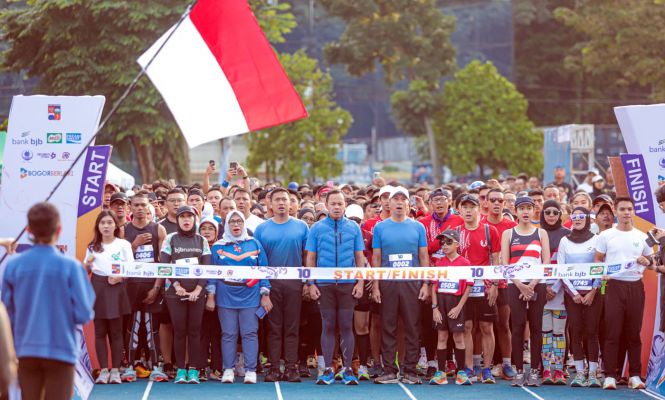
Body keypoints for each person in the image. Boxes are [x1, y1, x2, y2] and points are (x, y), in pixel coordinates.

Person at [1, 202, 95, 400]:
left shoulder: (13, 266)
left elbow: (7, 313)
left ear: (29, 230)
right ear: (59, 230)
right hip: (61, 350)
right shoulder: (72, 267)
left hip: (25, 350)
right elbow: (84, 313)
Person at [306, 190, 365, 385]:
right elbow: (311, 258)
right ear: (326, 205)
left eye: (340, 203)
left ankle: (348, 369)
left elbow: (360, 258)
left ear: (345, 205)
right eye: (333, 203)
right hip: (325, 285)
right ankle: (329, 370)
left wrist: (360, 282)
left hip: (348, 285)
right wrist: (311, 283)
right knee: (328, 325)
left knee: (347, 326)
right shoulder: (316, 228)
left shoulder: (354, 228)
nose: (337, 207)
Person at [371, 186, 430, 385]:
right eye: (394, 199)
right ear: (389, 203)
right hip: (388, 284)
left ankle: (410, 370)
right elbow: (377, 257)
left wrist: (425, 284)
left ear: (408, 203)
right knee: (388, 326)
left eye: (401, 199)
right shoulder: (380, 228)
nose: (398, 202)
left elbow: (423, 256)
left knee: (412, 327)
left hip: (412, 284)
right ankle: (389, 370)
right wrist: (376, 286)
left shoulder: (418, 227)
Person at [594, 197, 653, 390]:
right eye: (622, 209)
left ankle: (634, 375)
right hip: (613, 287)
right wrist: (603, 274)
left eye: (629, 209)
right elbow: (598, 260)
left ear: (633, 211)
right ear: (616, 212)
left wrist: (647, 261)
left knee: (633, 333)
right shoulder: (606, 236)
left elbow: (651, 260)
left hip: (635, 286)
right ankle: (610, 375)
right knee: (612, 332)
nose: (626, 212)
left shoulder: (642, 236)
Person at [207, 211, 273, 384]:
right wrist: (211, 296)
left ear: (244, 224)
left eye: (239, 221)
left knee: (250, 333)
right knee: (228, 333)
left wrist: (265, 294)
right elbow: (212, 274)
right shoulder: (217, 246)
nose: (236, 225)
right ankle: (228, 369)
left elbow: (264, 271)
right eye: (232, 222)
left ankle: (251, 370)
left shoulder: (254, 243)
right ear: (227, 224)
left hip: (250, 295)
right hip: (225, 295)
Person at [254, 187, 309, 383]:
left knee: (292, 327)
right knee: (274, 327)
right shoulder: (261, 229)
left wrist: (307, 283)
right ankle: (275, 367)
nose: (281, 203)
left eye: (285, 199)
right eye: (277, 199)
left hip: (294, 284)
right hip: (271, 285)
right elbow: (258, 261)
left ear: (291, 203)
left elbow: (307, 257)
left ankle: (292, 367)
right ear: (270, 203)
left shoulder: (302, 227)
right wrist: (264, 289)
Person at [502, 196, 550, 387]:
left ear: (534, 210)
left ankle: (535, 371)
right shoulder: (508, 234)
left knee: (536, 327)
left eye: (529, 208)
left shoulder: (541, 233)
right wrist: (520, 285)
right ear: (516, 211)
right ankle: (520, 371)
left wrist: (532, 285)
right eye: (521, 208)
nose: (525, 212)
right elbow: (505, 263)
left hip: (537, 284)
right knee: (518, 327)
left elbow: (546, 262)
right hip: (515, 285)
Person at [160, 205, 211, 384]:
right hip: (175, 294)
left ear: (195, 220)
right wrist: (176, 285)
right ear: (178, 220)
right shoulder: (170, 239)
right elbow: (164, 265)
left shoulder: (202, 240)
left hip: (197, 293)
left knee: (195, 331)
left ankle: (194, 370)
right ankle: (181, 369)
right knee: (180, 331)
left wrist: (198, 290)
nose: (186, 220)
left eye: (190, 217)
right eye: (183, 217)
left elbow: (206, 268)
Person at [122, 192, 168, 382]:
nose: (140, 208)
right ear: (130, 207)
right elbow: (120, 261)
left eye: (143, 205)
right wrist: (133, 245)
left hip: (152, 285)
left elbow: (163, 263)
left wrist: (156, 288)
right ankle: (130, 366)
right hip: (131, 286)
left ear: (149, 206)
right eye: (136, 205)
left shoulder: (159, 229)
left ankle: (156, 365)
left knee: (152, 327)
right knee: (132, 327)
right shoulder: (123, 231)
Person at [418, 188, 463, 378]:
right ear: (430, 204)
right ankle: (430, 361)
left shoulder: (459, 221)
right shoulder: (423, 223)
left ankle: (452, 361)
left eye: (443, 199)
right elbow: (423, 251)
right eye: (435, 200)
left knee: (453, 321)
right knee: (431, 322)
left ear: (450, 202)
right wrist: (427, 281)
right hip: (431, 276)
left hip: (453, 276)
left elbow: (461, 248)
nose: (439, 203)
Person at [84, 211, 133, 384]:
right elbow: (86, 271)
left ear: (115, 225)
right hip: (97, 287)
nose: (106, 226)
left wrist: (120, 277)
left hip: (116, 288)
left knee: (116, 331)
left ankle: (115, 370)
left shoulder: (124, 245)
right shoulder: (92, 246)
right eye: (102, 223)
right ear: (98, 226)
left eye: (109, 222)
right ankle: (104, 370)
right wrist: (87, 265)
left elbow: (130, 268)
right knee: (99, 331)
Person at [456, 194, 501, 384]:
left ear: (478, 209)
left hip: (485, 287)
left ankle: (486, 369)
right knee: (466, 327)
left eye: (471, 206)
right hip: (464, 288)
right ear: (459, 210)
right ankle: (467, 368)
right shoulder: (456, 232)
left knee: (486, 327)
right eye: (464, 207)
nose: (468, 210)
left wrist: (495, 286)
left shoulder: (490, 231)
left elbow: (496, 261)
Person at [559, 207, 602, 388]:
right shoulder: (564, 241)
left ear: (587, 219)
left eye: (581, 216)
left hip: (592, 294)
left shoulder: (597, 239)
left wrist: (593, 291)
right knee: (575, 332)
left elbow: (601, 266)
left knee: (591, 333)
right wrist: (574, 293)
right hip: (573, 295)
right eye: (574, 216)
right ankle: (579, 373)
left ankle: (592, 373)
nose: (577, 219)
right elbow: (561, 269)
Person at [429, 230, 473, 386]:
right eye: (442, 243)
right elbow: (433, 287)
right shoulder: (439, 263)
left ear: (457, 244)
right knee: (442, 337)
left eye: (448, 242)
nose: (444, 245)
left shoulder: (465, 263)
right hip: (441, 302)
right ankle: (441, 373)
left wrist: (459, 307)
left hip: (456, 303)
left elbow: (468, 287)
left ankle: (461, 372)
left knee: (458, 338)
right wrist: (435, 308)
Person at [483, 189, 518, 380]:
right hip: (482, 284)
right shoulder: (481, 225)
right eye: (493, 200)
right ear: (486, 203)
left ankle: (506, 363)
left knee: (504, 324)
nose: (497, 203)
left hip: (505, 283)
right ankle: (484, 364)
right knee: (483, 327)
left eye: (500, 200)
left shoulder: (512, 226)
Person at [539, 200, 570, 385]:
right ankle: (545, 370)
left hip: (560, 292)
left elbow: (565, 265)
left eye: (555, 212)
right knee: (545, 333)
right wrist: (543, 288)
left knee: (559, 333)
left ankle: (558, 369)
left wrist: (555, 288)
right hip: (541, 291)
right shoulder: (537, 233)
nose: (551, 215)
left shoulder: (567, 235)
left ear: (560, 214)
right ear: (542, 214)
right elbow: (534, 263)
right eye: (547, 212)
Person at [198, 217, 222, 381]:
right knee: (201, 333)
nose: (207, 231)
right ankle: (199, 367)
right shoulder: (194, 247)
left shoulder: (221, 248)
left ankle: (217, 367)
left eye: (210, 228)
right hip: (197, 296)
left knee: (217, 333)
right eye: (203, 228)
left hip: (220, 297)